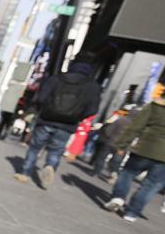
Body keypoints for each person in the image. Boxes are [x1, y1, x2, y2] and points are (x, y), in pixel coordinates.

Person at [103, 79, 165, 222]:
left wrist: (122, 144)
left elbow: (135, 126)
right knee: (151, 185)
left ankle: (118, 197)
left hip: (145, 148)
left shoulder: (159, 103)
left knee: (127, 173)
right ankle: (131, 212)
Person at [14, 58, 101, 188]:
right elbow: (92, 109)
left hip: (46, 119)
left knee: (35, 147)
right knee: (56, 151)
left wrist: (43, 110)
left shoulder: (57, 78)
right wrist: (78, 116)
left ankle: (25, 173)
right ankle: (50, 166)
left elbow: (41, 98)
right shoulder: (93, 86)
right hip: (68, 124)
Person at [92, 105, 136, 180]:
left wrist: (108, 137)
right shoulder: (135, 126)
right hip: (122, 147)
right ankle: (114, 173)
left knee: (102, 157)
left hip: (110, 142)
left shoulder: (120, 120)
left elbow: (109, 130)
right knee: (116, 161)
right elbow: (132, 138)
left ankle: (97, 171)